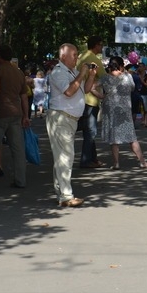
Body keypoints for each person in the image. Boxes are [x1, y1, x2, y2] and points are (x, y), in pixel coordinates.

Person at [47, 43, 98, 207]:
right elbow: (69, 91)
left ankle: (61, 193)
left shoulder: (74, 72)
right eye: (74, 54)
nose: (77, 57)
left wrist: (90, 75)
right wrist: (81, 74)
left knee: (62, 157)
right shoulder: (58, 72)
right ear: (63, 57)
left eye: (77, 54)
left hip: (70, 119)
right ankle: (66, 196)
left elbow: (86, 89)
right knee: (65, 157)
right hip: (60, 118)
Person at [99, 56, 147, 170]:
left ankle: (116, 163)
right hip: (124, 109)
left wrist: (101, 96)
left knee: (114, 138)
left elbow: (92, 87)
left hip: (110, 109)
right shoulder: (128, 77)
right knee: (131, 137)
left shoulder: (104, 78)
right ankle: (142, 161)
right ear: (122, 66)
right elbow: (132, 88)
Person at [0, 45, 31, 189]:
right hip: (16, 112)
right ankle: (21, 180)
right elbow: (24, 96)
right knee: (18, 149)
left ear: (0, 56)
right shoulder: (18, 72)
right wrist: (26, 115)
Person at [77, 36, 106, 168]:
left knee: (89, 130)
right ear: (95, 45)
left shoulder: (81, 57)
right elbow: (105, 78)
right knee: (91, 131)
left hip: (80, 98)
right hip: (91, 99)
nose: (102, 47)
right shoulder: (94, 60)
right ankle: (86, 160)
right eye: (100, 44)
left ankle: (92, 159)